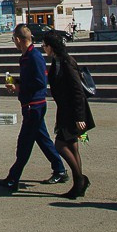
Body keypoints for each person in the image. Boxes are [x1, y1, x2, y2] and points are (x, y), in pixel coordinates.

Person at [0, 25, 68, 191]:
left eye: (14, 39)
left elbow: (40, 82)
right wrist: (17, 83)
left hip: (33, 106)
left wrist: (20, 87)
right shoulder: (27, 56)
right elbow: (32, 79)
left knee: (24, 143)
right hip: (31, 105)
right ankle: (60, 169)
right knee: (42, 139)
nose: (14, 43)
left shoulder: (34, 56)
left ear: (19, 40)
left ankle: (13, 178)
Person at [41, 31, 94, 199]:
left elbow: (77, 91)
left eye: (45, 45)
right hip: (65, 110)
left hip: (72, 112)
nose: (43, 48)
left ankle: (80, 179)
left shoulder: (66, 62)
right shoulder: (58, 61)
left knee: (60, 145)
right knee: (72, 146)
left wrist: (80, 118)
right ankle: (79, 183)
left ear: (51, 46)